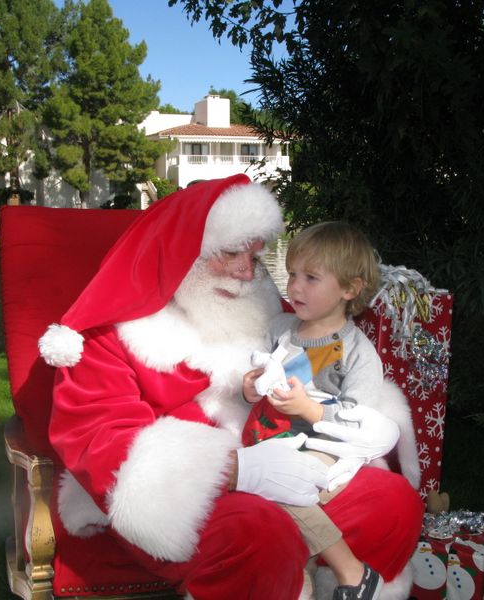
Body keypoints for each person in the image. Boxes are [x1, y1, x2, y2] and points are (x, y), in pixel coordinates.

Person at [38, 174, 424, 600]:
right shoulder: (110, 334)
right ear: (183, 252)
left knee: (393, 502)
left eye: (254, 256)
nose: (245, 271)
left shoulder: (263, 308)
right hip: (187, 494)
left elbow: (319, 372)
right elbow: (99, 439)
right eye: (229, 253)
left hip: (287, 461)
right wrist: (236, 469)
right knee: (258, 533)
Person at [242, 221, 397, 600]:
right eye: (293, 274)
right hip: (270, 436)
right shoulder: (281, 328)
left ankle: (352, 571)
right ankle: (302, 577)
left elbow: (355, 421)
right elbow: (260, 374)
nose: (294, 286)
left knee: (278, 484)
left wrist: (309, 409)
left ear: (349, 288)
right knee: (259, 484)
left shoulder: (358, 352)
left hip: (324, 446)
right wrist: (249, 388)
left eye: (311, 278)